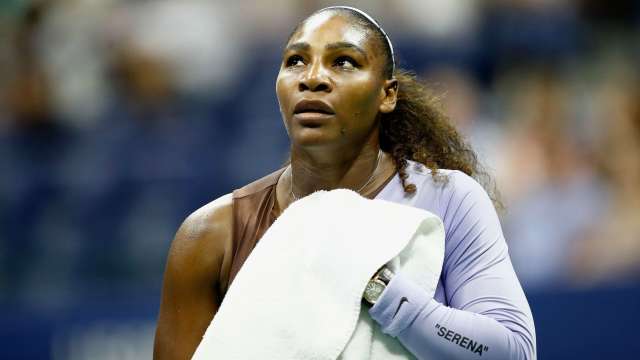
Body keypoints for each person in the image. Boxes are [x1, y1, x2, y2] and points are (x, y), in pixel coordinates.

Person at [153, 6, 536, 360]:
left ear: (387, 94)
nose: (313, 78)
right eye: (296, 61)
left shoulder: (449, 197)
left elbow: (512, 351)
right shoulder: (211, 236)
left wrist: (377, 287)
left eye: (344, 62)